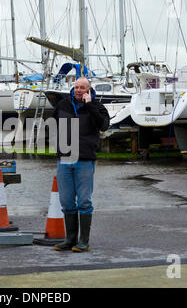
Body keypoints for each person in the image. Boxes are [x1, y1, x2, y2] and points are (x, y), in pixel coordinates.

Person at [52, 77, 110, 252]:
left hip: (84, 160)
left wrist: (90, 104)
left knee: (84, 201)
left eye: (82, 88)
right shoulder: (63, 105)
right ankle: (70, 239)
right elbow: (52, 124)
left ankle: (83, 241)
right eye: (76, 87)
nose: (78, 90)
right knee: (66, 201)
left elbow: (104, 126)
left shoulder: (98, 107)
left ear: (89, 90)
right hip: (64, 160)